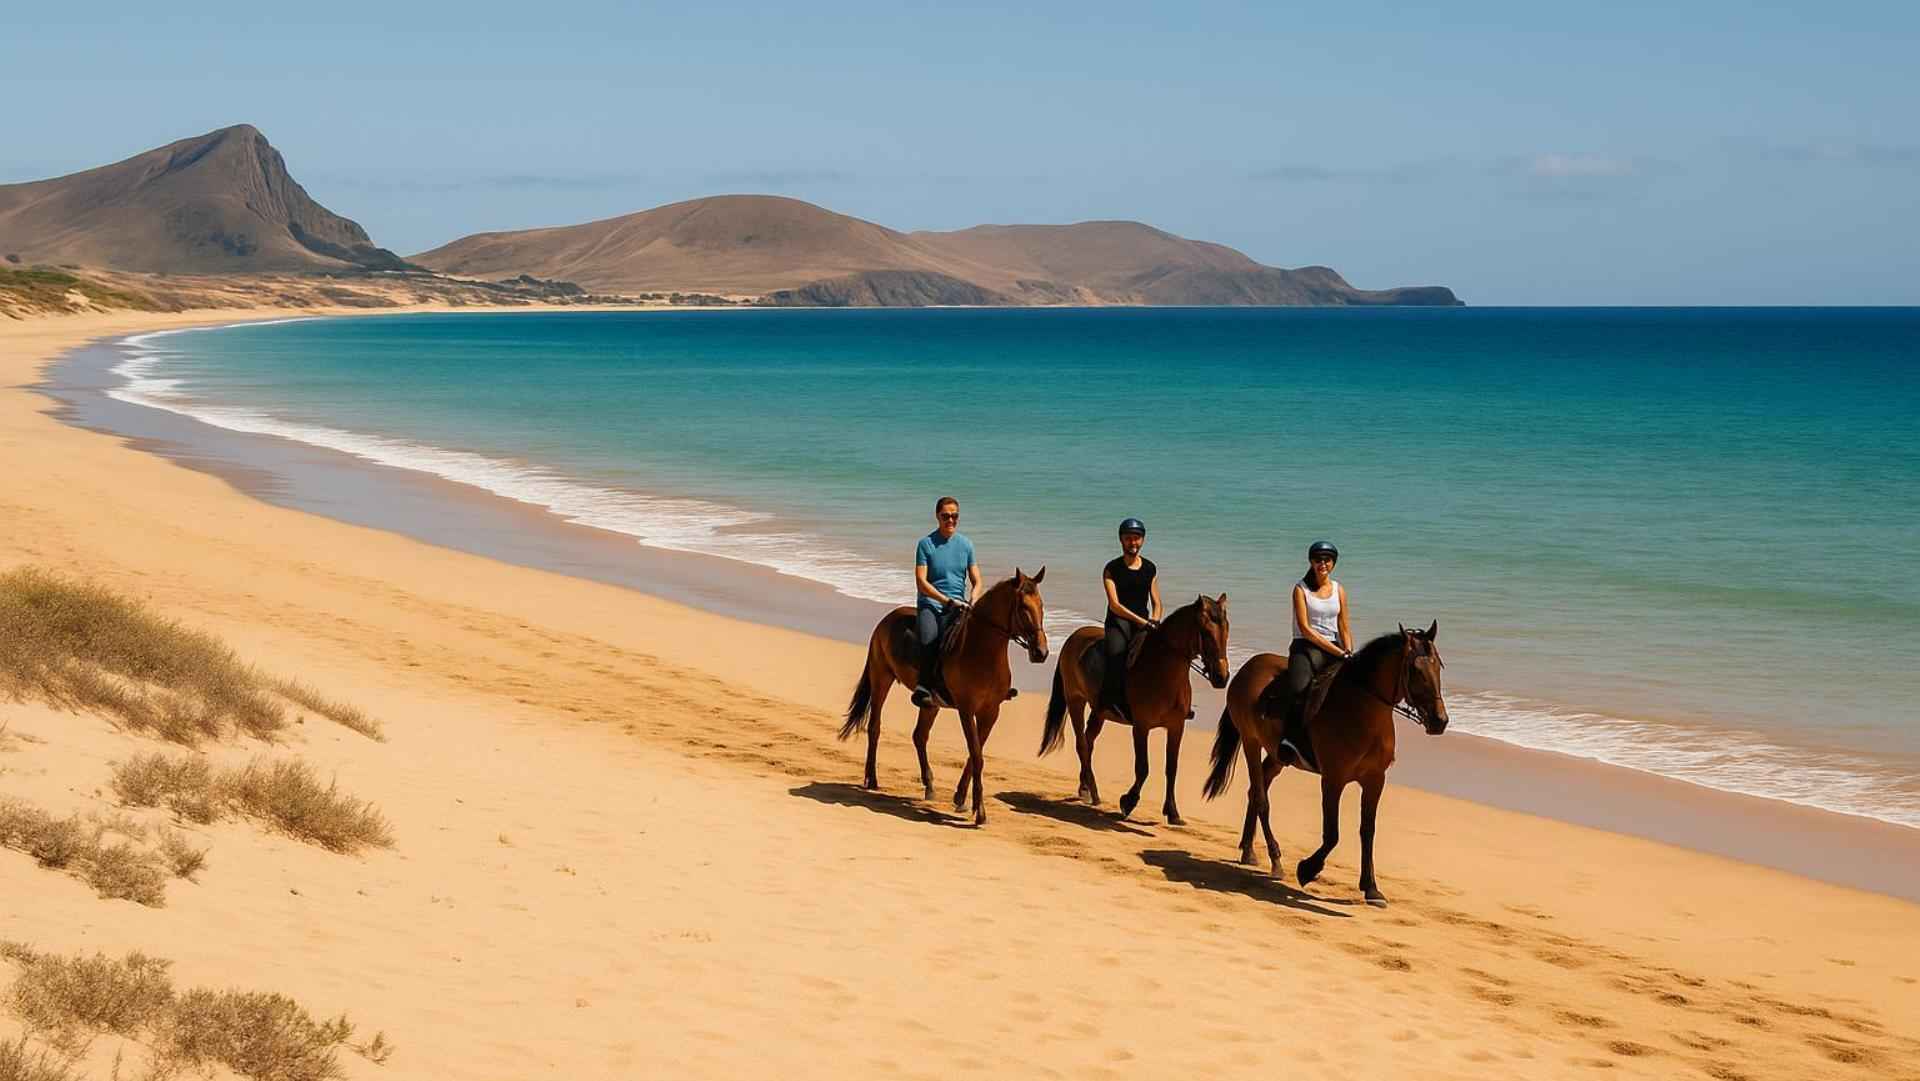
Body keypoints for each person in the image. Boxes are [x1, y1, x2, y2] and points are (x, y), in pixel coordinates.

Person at [1281, 540, 1352, 764]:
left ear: (1333, 563)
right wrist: (1338, 652)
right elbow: (1306, 629)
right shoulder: (1300, 589)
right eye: (1318, 559)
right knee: (1299, 689)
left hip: (1336, 647)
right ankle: (1290, 740)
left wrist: (1348, 650)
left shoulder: (1339, 589)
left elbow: (1344, 626)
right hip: (1306, 646)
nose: (1323, 563)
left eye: (1327, 560)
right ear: (1311, 562)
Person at [910, 496, 981, 707]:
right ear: (937, 516)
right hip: (931, 604)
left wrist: (973, 598)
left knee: (982, 636)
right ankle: (923, 686)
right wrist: (945, 600)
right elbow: (921, 583)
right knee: (929, 638)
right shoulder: (926, 544)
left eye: (955, 516)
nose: (950, 520)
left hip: (959, 605)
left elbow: (977, 580)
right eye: (946, 516)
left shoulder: (966, 545)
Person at [1097, 517, 1161, 721]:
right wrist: (1143, 622)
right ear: (1121, 540)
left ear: (1142, 540)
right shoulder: (1112, 569)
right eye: (1128, 538)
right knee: (1117, 653)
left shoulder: (1150, 568)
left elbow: (1157, 602)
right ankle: (1110, 701)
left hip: (1145, 622)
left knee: (1165, 653)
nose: (1133, 542)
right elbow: (1115, 605)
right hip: (1118, 621)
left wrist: (1156, 621)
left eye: (1137, 538)